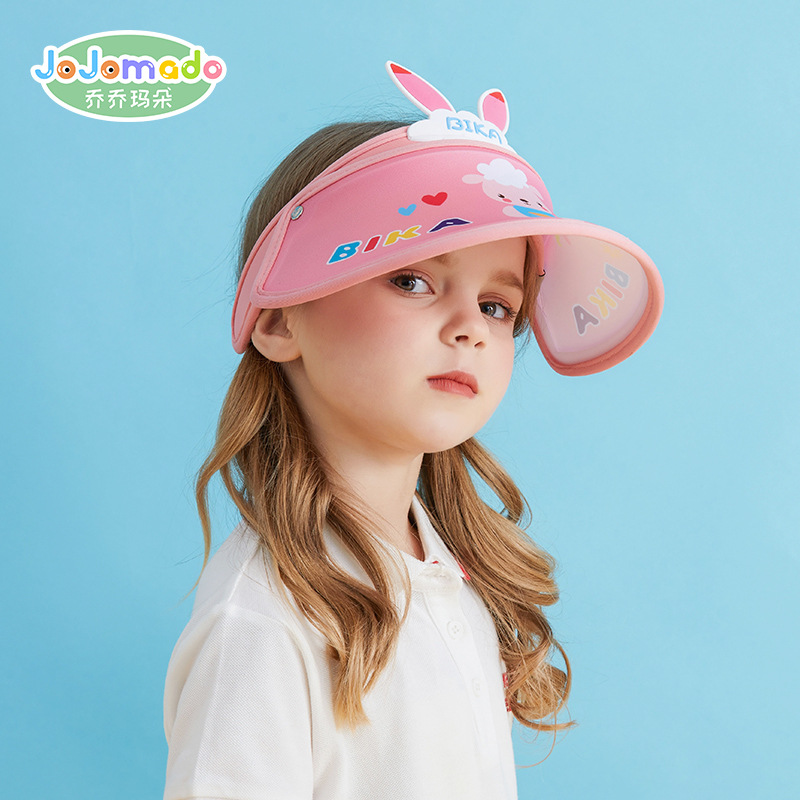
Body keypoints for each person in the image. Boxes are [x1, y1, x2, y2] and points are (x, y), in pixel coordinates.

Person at [162, 62, 664, 800]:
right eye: (412, 280)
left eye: (497, 306)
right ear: (279, 319)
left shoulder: (453, 570)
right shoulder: (264, 615)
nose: (470, 328)